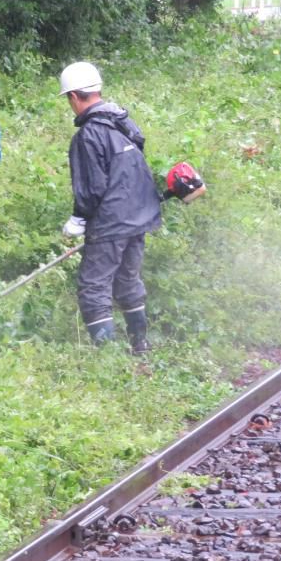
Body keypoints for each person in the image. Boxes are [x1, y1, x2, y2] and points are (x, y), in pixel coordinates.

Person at [59, 61, 161, 354]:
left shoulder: (88, 134)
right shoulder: (123, 122)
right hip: (139, 216)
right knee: (128, 280)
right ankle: (140, 347)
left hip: (111, 222)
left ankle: (108, 361)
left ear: (75, 97)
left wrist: (78, 219)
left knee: (94, 286)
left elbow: (92, 187)